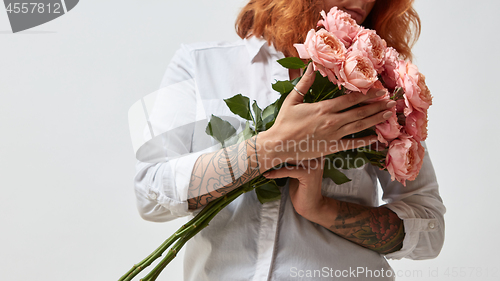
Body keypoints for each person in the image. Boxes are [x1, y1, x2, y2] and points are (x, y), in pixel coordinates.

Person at [134, 0, 445, 280]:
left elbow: (430, 227)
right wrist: (270, 148)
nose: (362, 1)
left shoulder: (379, 91)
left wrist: (321, 208)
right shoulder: (198, 63)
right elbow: (149, 192)